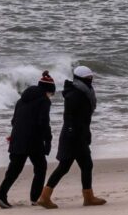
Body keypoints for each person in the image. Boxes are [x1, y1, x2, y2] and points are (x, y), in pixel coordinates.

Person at [39, 68, 104, 207]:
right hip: (74, 136)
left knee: (71, 166)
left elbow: (81, 118)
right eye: (88, 77)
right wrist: (79, 134)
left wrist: (85, 133)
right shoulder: (76, 94)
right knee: (79, 165)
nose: (91, 80)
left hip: (75, 134)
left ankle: (46, 196)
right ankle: (88, 198)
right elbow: (72, 118)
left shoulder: (80, 91)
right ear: (81, 79)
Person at [0, 70, 56, 209]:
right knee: (40, 167)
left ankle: (1, 195)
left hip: (17, 138)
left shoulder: (21, 100)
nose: (51, 97)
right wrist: (48, 139)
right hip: (33, 140)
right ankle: (35, 198)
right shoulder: (44, 101)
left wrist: (17, 134)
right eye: (51, 94)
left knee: (14, 170)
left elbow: (14, 121)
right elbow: (43, 122)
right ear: (48, 91)